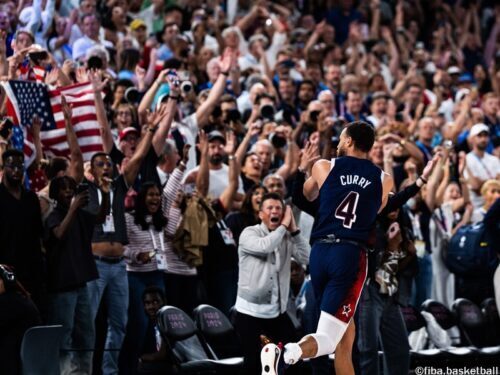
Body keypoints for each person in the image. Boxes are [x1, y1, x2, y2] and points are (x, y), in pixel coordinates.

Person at [262, 121, 393, 375]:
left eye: (341, 138)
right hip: (350, 255)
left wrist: (308, 169)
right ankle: (288, 353)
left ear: (349, 142)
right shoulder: (383, 178)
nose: (338, 143)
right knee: (329, 338)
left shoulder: (324, 166)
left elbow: (304, 196)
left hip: (320, 253)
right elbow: (376, 210)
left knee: (345, 338)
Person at [235, 192, 310, 374]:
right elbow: (265, 246)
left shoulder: (285, 236)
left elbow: (308, 258)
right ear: (261, 214)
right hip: (250, 314)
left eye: (279, 208)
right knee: (254, 364)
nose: (275, 211)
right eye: (270, 208)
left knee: (293, 360)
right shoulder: (249, 233)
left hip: (278, 314)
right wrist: (284, 225)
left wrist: (295, 232)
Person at [44, 176, 102, 374]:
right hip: (61, 287)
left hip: (81, 284)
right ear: (55, 193)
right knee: (63, 336)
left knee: (87, 334)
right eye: (64, 189)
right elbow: (58, 234)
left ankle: (85, 371)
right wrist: (73, 208)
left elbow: (101, 217)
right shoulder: (53, 213)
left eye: (71, 188)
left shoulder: (79, 213)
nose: (69, 192)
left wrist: (107, 192)